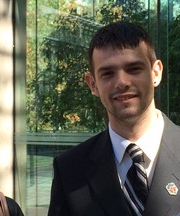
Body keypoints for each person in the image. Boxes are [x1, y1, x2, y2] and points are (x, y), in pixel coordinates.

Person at [48, 21, 180, 216]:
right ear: (92, 84)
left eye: (134, 69)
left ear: (156, 72)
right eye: (108, 73)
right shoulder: (70, 170)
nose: (122, 82)